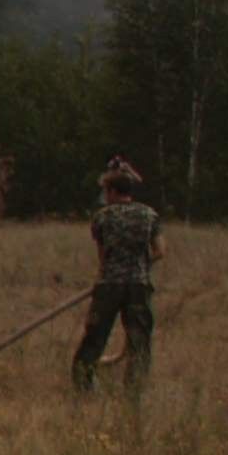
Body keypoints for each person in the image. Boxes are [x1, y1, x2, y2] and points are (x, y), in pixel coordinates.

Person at [74, 156, 162, 392]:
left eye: (106, 191)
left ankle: (84, 386)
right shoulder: (149, 215)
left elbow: (102, 257)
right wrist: (140, 265)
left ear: (112, 190)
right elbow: (160, 251)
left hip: (109, 286)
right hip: (139, 286)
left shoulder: (102, 217)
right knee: (139, 341)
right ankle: (134, 391)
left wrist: (111, 272)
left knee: (95, 338)